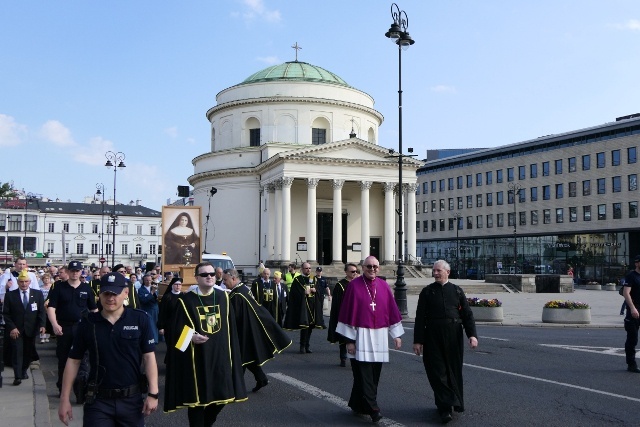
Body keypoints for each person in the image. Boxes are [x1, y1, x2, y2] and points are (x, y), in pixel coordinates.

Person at [58, 272, 159, 426]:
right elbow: (73, 361)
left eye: (115, 293)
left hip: (131, 400)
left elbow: (149, 357)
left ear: (125, 293)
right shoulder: (88, 322)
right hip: (98, 401)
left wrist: (153, 393)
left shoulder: (140, 319)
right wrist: (64, 399)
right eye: (106, 293)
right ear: (99, 294)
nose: (110, 298)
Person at [163, 262, 248, 426]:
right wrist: (191, 336)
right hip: (197, 360)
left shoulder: (224, 297)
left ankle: (207, 422)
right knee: (197, 401)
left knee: (222, 397)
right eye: (204, 275)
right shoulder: (186, 300)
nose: (209, 277)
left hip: (220, 357)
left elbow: (232, 327)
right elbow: (174, 331)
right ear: (196, 278)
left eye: (212, 274)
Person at [336, 256, 403, 423]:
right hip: (361, 336)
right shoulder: (353, 286)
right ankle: (373, 408)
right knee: (364, 373)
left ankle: (357, 403)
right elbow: (346, 312)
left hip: (380, 335)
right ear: (363, 267)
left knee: (373, 374)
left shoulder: (383, 286)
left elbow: (392, 310)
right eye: (368, 266)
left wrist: (396, 335)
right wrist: (349, 341)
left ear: (378, 268)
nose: (372, 269)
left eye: (375, 266)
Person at [413, 259, 478, 423]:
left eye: (438, 271)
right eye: (434, 271)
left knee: (453, 370)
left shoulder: (457, 291)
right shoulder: (427, 292)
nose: (435, 273)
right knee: (437, 371)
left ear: (447, 272)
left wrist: (472, 335)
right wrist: (418, 341)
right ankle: (445, 407)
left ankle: (451, 403)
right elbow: (420, 318)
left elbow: (467, 315)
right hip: (432, 335)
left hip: (453, 335)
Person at [224, 268, 291, 392]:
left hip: (243, 331)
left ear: (233, 278)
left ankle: (235, 388)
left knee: (240, 359)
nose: (224, 283)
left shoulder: (237, 295)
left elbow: (234, 317)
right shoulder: (243, 289)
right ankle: (261, 379)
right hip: (249, 329)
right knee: (248, 357)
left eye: (225, 280)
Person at [46, 260, 98, 398]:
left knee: (83, 360)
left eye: (77, 271)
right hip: (64, 327)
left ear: (82, 272)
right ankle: (63, 389)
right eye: (72, 271)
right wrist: (55, 324)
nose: (75, 273)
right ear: (68, 272)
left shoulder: (86, 289)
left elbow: (94, 309)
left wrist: (97, 327)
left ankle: (81, 389)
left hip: (82, 328)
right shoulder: (59, 287)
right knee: (63, 359)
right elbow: (51, 307)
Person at [2, 270, 46, 385]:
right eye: (21, 282)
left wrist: (42, 325)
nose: (24, 284)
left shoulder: (37, 294)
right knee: (17, 352)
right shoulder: (11, 295)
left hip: (31, 329)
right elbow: (6, 314)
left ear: (30, 282)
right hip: (16, 330)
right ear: (18, 282)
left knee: (28, 352)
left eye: (26, 281)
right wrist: (12, 327)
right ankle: (17, 376)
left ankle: (23, 371)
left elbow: (41, 311)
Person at [284, 262, 325, 354]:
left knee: (310, 327)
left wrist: (316, 290)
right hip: (303, 306)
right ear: (302, 269)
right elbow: (294, 293)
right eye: (306, 268)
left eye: (310, 268)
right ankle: (302, 345)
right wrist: (304, 293)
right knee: (305, 326)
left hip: (312, 305)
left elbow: (319, 291)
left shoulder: (313, 278)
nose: (308, 270)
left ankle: (307, 345)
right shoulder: (298, 279)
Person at [327, 263, 358, 367]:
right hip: (344, 315)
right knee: (343, 337)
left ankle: (356, 358)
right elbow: (338, 303)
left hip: (356, 315)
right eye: (352, 271)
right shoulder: (340, 285)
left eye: (356, 271)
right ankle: (343, 357)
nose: (355, 273)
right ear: (346, 272)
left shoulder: (359, 284)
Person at [158, 277, 183, 363]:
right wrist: (161, 327)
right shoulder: (167, 297)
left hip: (181, 325)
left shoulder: (184, 296)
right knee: (171, 346)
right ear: (172, 285)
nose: (178, 286)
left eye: (179, 284)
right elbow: (162, 313)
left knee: (181, 346)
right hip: (169, 326)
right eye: (176, 284)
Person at [623, 255, 640, 373]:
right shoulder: (631, 276)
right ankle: (631, 364)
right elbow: (626, 293)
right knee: (632, 339)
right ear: (637, 263)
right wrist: (633, 308)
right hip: (634, 311)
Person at [138, 273, 160, 343]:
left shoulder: (155, 287)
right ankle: (152, 340)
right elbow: (143, 300)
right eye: (146, 280)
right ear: (144, 281)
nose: (148, 282)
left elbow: (158, 298)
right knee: (150, 325)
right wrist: (152, 292)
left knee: (156, 324)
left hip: (155, 309)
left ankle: (156, 339)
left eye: (150, 280)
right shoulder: (140, 290)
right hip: (146, 309)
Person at [39, 272, 54, 343]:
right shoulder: (40, 288)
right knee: (42, 321)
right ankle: (42, 337)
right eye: (45, 279)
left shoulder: (52, 287)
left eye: (48, 278)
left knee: (48, 322)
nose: (46, 280)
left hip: (50, 306)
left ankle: (47, 336)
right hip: (42, 306)